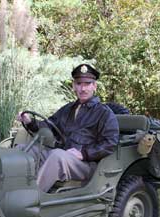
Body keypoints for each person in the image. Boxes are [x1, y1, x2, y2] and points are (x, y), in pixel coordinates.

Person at [16, 64, 119, 192]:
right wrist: (30, 121)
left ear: (94, 86)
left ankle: (30, 198)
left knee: (57, 156)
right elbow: (49, 125)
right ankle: (10, 189)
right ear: (73, 86)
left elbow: (110, 143)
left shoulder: (104, 113)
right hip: (63, 154)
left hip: (86, 164)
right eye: (79, 83)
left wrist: (84, 153)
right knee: (23, 150)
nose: (83, 88)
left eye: (87, 84)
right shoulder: (68, 109)